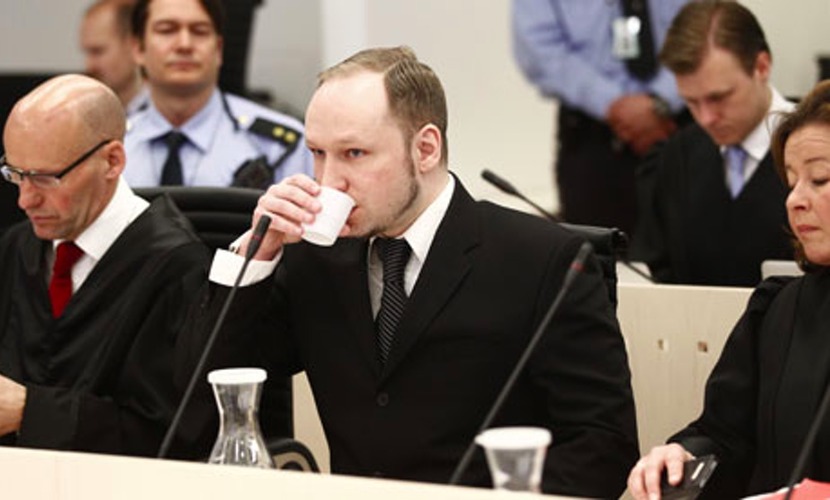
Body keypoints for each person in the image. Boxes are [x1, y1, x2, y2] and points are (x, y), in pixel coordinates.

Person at [185, 46, 638, 498]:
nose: (329, 180)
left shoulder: (541, 259)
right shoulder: (315, 257)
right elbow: (196, 397)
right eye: (318, 153)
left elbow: (604, 446)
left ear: (425, 149)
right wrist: (255, 256)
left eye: (354, 153)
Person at [628, 79, 830, 499]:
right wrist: (683, 456)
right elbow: (724, 437)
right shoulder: (777, 310)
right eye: (791, 181)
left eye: (820, 178)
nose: (795, 200)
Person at [0, 74, 211, 457]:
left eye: (44, 178)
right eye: (15, 174)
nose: (25, 200)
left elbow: (165, 436)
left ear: (112, 161)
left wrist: (30, 411)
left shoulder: (177, 269)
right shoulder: (18, 247)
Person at [633, 0, 793, 286]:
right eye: (691, 102)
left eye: (719, 97)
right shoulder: (679, 155)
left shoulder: (817, 149)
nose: (706, 118)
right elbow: (656, 271)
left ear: (761, 66)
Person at [512, 0, 689, 237]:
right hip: (592, 135)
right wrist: (615, 106)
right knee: (600, 251)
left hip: (681, 122)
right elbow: (538, 49)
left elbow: (709, 24)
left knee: (698, 245)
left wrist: (662, 99)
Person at [123, 0, 313, 189]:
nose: (184, 44)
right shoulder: (116, 145)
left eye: (200, 31)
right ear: (138, 48)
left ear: (219, 50)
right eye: (167, 30)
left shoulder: (278, 147)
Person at [80, 0, 149, 115]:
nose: (89, 65)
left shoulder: (168, 112)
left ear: (133, 46)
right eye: (87, 52)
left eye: (98, 51)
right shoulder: (89, 114)